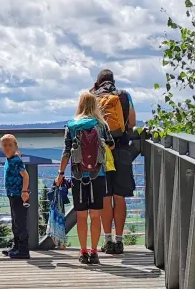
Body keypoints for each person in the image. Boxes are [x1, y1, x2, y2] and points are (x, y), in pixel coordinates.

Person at [56, 93, 111, 264]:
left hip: (78, 176)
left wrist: (60, 173)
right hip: (98, 175)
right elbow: (110, 144)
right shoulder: (102, 124)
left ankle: (83, 251)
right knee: (95, 216)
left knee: (81, 216)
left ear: (79, 104)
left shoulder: (72, 125)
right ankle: (94, 252)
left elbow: (66, 152)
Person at [89, 69, 136, 254]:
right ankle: (119, 240)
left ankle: (107, 240)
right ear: (113, 81)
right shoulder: (124, 96)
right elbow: (131, 123)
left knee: (105, 197)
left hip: (99, 151)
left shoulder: (91, 96)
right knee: (119, 196)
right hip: (122, 149)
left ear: (97, 82)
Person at [1, 134, 31, 259]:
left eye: (10, 145)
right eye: (4, 145)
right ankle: (16, 246)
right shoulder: (10, 159)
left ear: (15, 146)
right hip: (12, 195)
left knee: (20, 222)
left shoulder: (16, 161)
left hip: (19, 195)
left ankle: (24, 250)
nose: (7, 148)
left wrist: (24, 192)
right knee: (15, 222)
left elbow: (25, 176)